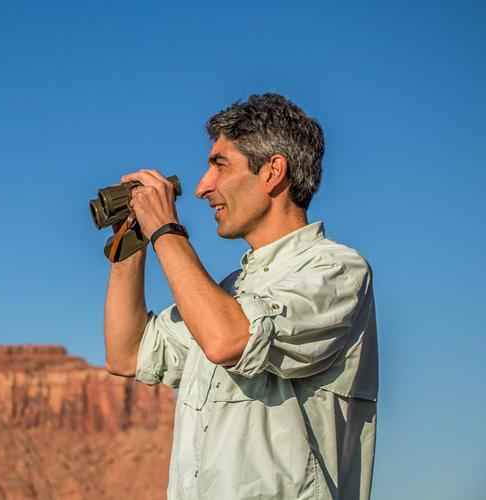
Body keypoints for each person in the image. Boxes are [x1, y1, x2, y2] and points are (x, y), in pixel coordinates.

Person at [103, 93, 378, 499]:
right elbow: (127, 354)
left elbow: (227, 339)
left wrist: (165, 229)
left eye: (219, 165)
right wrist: (133, 237)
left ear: (273, 172)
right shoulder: (228, 294)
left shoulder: (336, 271)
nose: (200, 188)